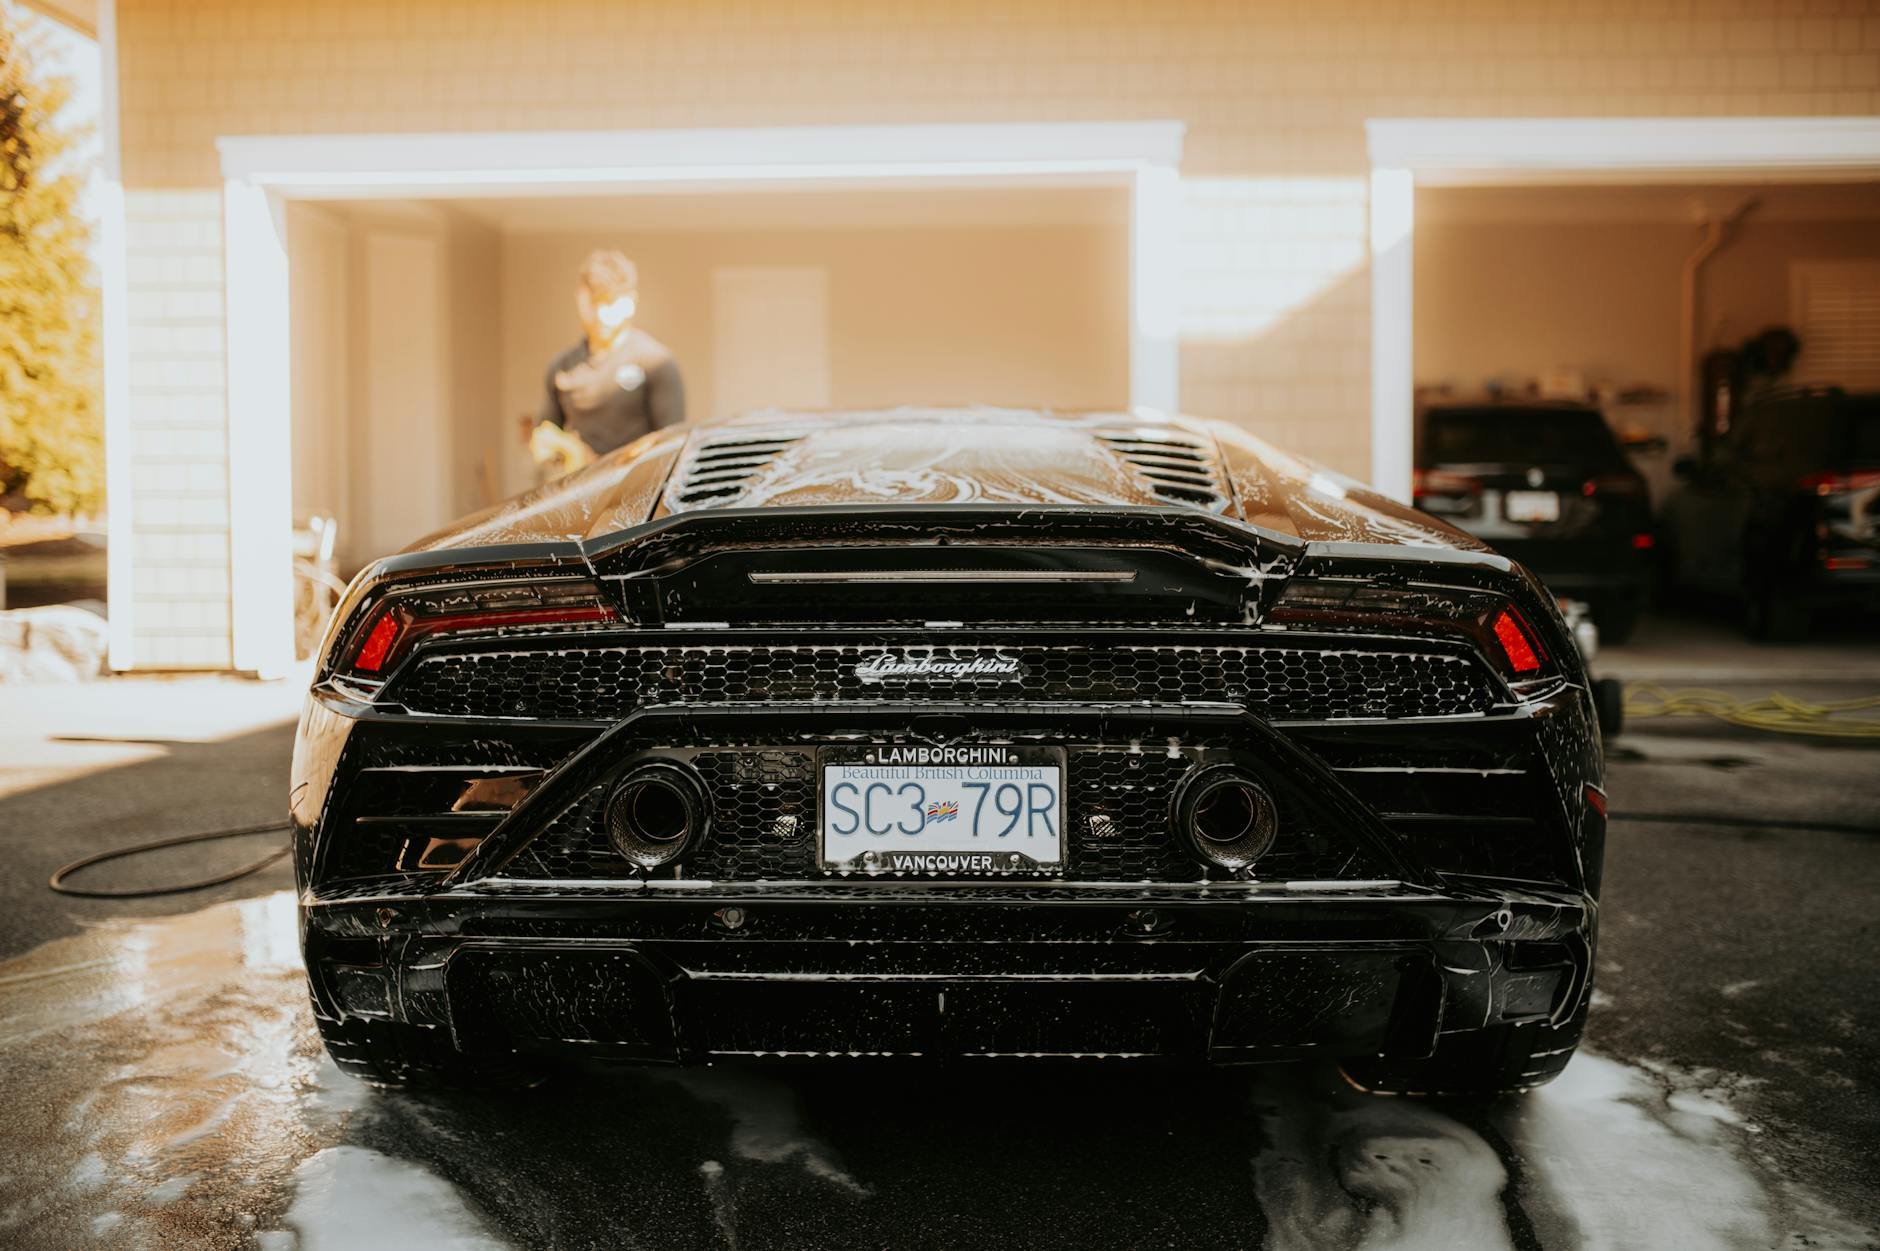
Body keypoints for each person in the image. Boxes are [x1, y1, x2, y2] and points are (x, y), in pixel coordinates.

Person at [530, 250, 685, 475]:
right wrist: (562, 450)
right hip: (578, 495)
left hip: (638, 496)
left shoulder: (656, 362)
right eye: (593, 304)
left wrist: (601, 462)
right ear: (580, 299)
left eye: (610, 303)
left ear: (631, 301)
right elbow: (544, 436)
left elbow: (672, 445)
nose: (601, 315)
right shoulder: (562, 367)